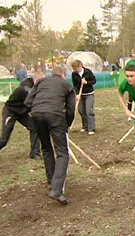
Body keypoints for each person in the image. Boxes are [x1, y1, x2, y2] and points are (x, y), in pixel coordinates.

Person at [25, 66, 75, 205]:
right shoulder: (67, 85)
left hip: (37, 115)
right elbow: (71, 109)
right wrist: (67, 124)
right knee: (63, 153)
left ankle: (51, 182)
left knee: (46, 148)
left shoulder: (41, 82)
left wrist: (35, 112)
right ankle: (57, 189)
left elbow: (28, 102)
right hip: (55, 116)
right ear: (63, 75)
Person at [0, 73, 44, 159]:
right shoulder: (26, 89)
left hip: (22, 112)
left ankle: (35, 153)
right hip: (11, 112)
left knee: (35, 128)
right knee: (4, 139)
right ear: (35, 81)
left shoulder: (36, 88)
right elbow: (30, 103)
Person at [71, 60, 96, 135]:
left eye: (77, 68)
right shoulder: (74, 74)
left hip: (89, 94)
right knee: (81, 111)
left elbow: (94, 81)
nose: (76, 70)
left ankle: (91, 128)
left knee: (89, 111)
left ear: (80, 65)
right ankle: (85, 126)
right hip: (81, 95)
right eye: (74, 69)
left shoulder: (87, 72)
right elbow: (75, 85)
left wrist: (86, 83)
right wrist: (77, 94)